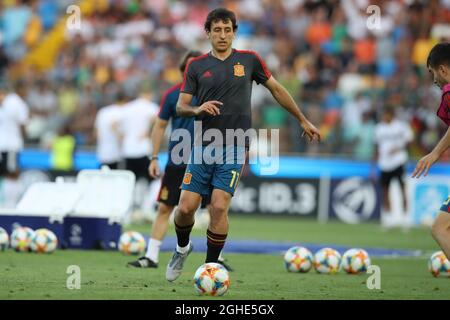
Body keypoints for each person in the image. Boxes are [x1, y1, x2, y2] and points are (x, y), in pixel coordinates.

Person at [165, 8, 321, 282]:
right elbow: (181, 105)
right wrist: (198, 109)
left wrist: (302, 119)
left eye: (228, 30)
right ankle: (181, 248)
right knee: (186, 208)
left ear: (234, 32)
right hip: (203, 146)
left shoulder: (249, 60)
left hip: (235, 145)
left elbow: (276, 89)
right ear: (208, 33)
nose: (223, 35)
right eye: (217, 30)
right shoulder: (197, 66)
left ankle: (210, 268)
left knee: (218, 206)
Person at [127, 51, 233, 271]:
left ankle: (217, 258)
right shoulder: (173, 95)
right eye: (189, 68)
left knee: (216, 207)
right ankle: (151, 256)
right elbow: (160, 125)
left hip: (207, 158)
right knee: (166, 207)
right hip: (178, 159)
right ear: (183, 71)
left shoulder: (215, 92)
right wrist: (154, 157)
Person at [412, 42, 450, 259]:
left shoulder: (448, 93)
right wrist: (435, 153)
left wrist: (435, 153)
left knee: (440, 228)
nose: (434, 79)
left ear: (443, 69)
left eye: (432, 72)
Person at [374, 107, 413, 228]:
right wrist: (374, 164)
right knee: (385, 191)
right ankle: (388, 219)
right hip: (384, 163)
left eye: (386, 115)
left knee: (402, 189)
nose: (384, 117)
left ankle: (405, 219)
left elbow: (409, 140)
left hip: (398, 162)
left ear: (391, 114)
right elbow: (376, 146)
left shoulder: (401, 126)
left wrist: (399, 148)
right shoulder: (379, 128)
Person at [120, 87, 159, 182]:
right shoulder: (151, 107)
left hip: (128, 149)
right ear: (148, 94)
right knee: (152, 180)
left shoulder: (126, 107)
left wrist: (122, 137)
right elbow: (159, 122)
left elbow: (116, 124)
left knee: (131, 182)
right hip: (143, 149)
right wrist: (149, 132)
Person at [94, 92, 128, 169]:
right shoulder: (122, 111)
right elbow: (112, 126)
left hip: (102, 152)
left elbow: (97, 132)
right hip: (116, 153)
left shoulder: (102, 111)